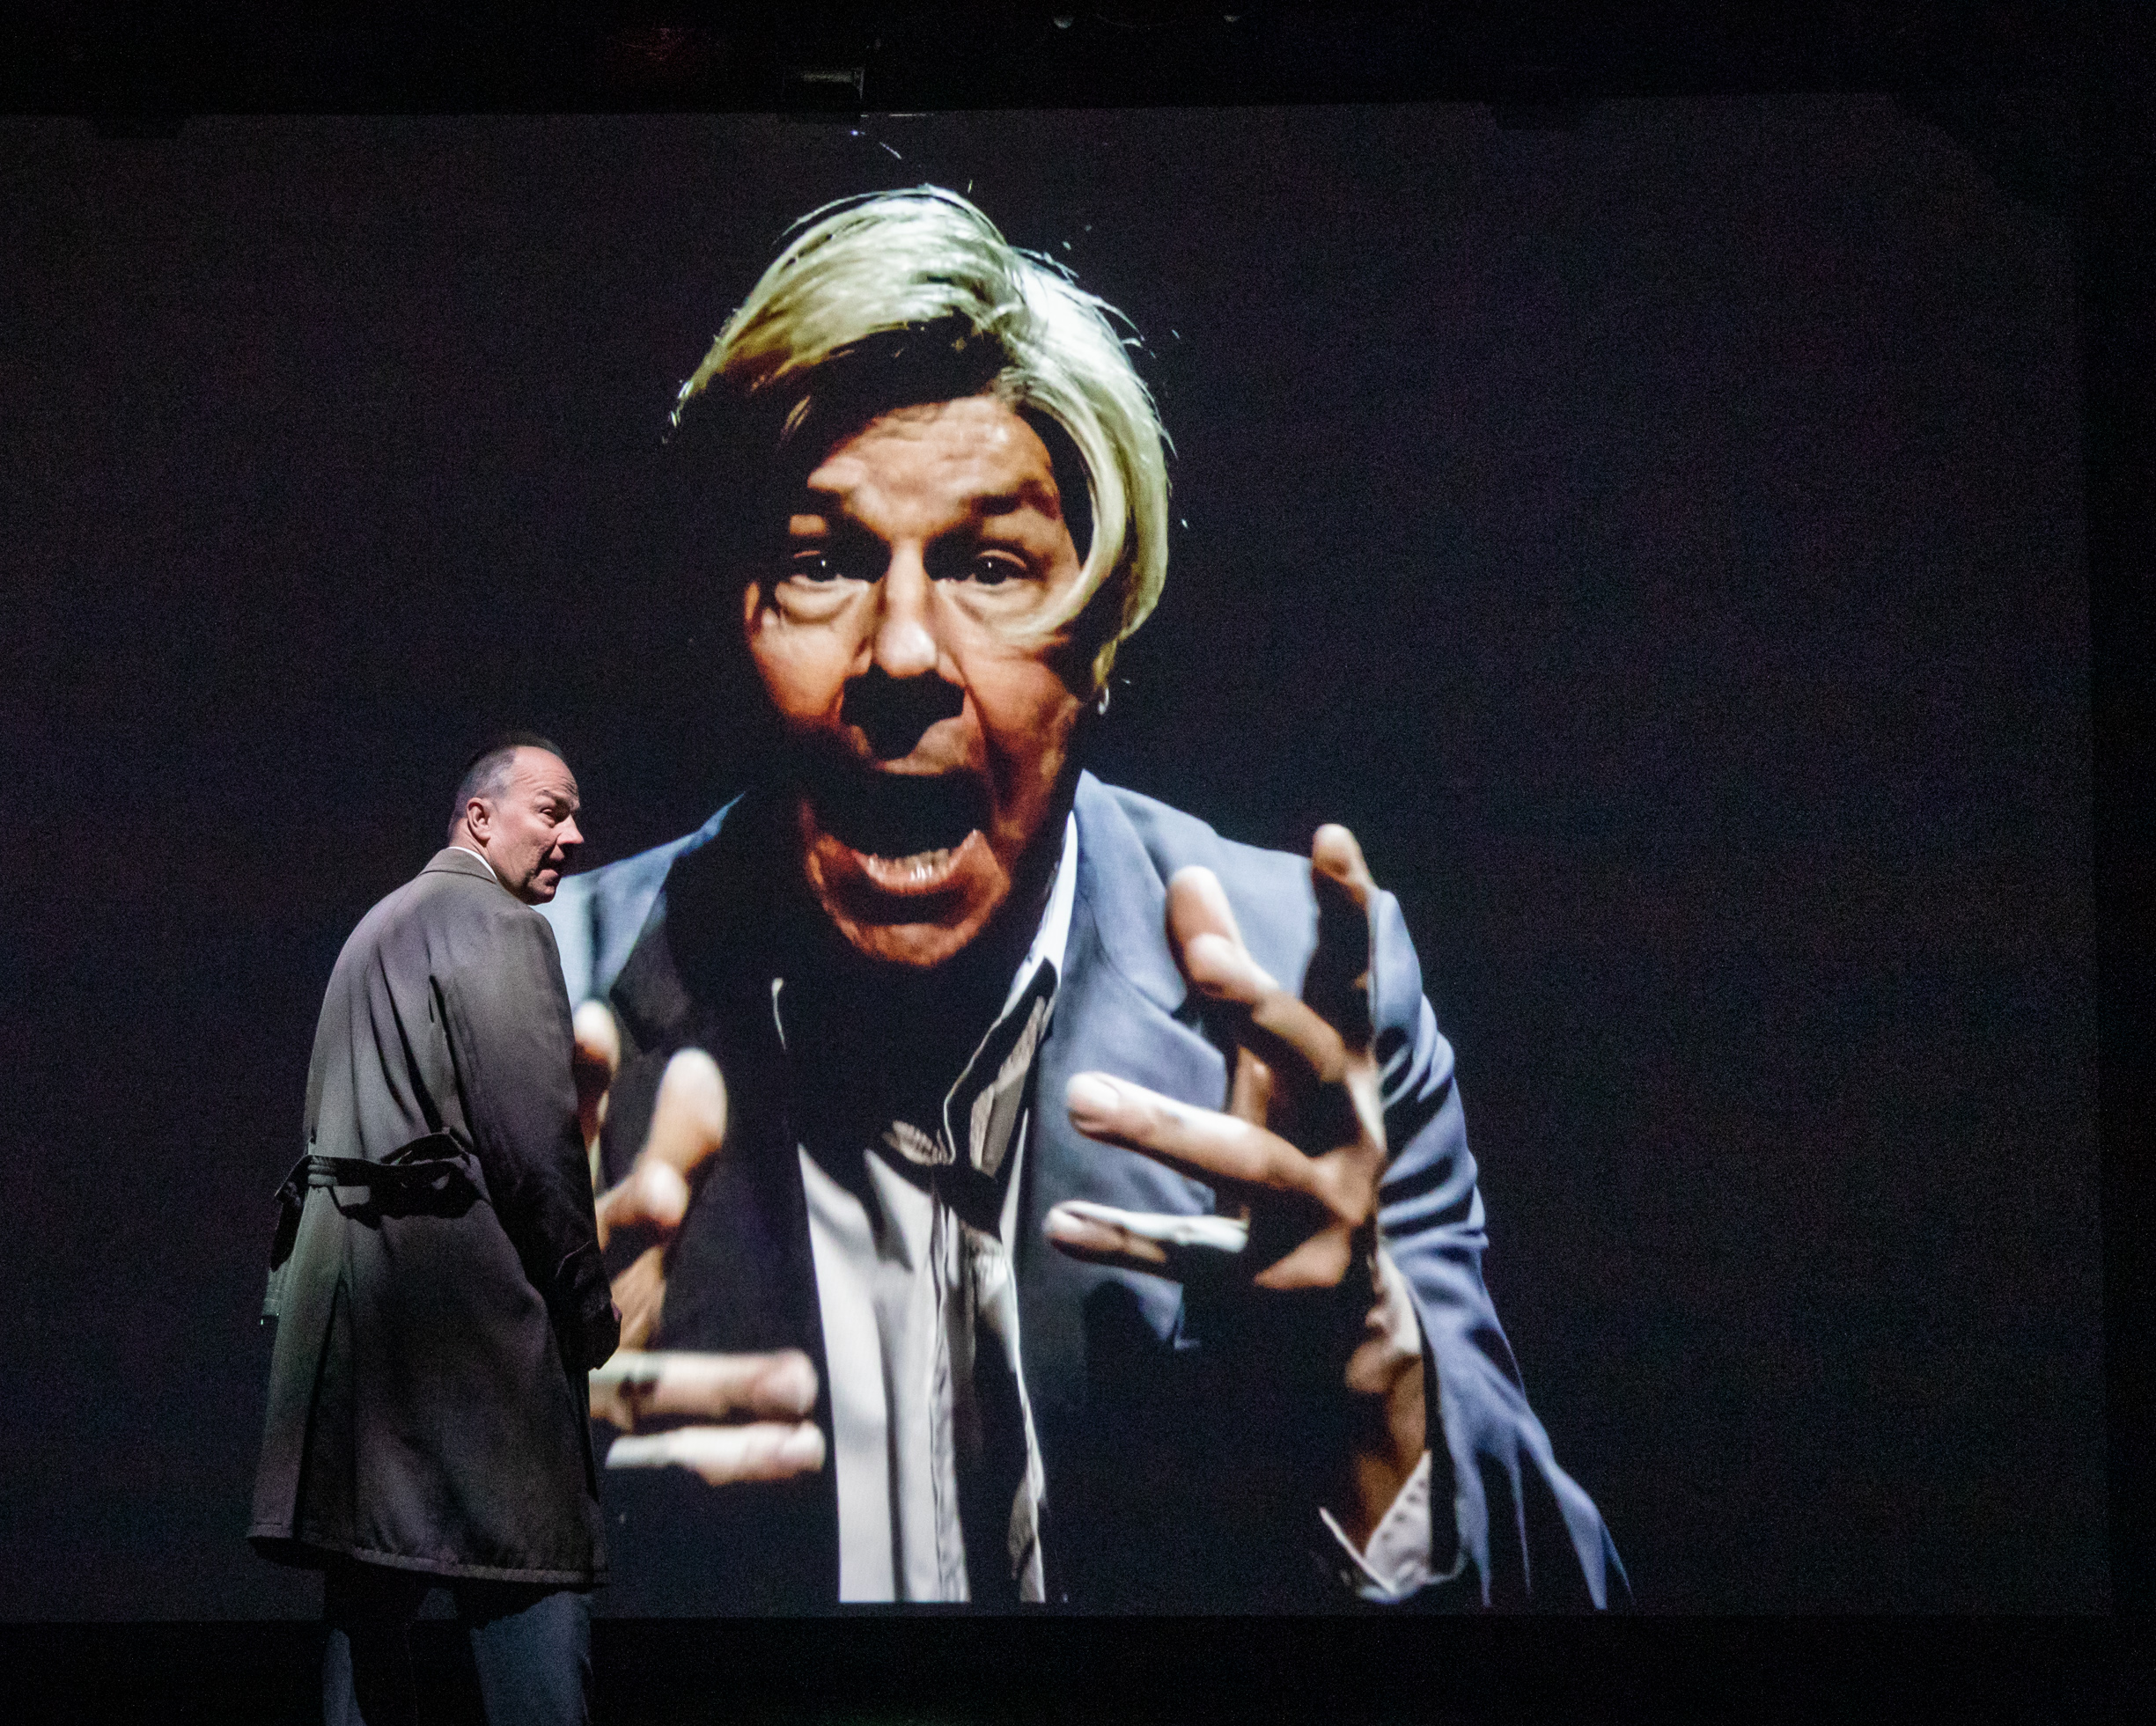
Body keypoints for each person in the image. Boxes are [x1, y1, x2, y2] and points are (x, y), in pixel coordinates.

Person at [551, 189, 1627, 1612]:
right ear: (732, 620)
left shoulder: (1307, 1006)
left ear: (1103, 638)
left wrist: (1376, 1374)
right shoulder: (526, 1025)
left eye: (990, 565)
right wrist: (487, 1494)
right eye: (822, 561)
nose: (903, 653)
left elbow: (1574, 1639)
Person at [248, 736, 674, 1726]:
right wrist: (584, 1295)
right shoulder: (497, 927)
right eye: (553, 810)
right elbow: (534, 1139)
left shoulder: (376, 927)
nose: (574, 836)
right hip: (457, 1294)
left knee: (372, 1572)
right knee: (532, 1559)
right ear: (479, 819)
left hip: (354, 1297)